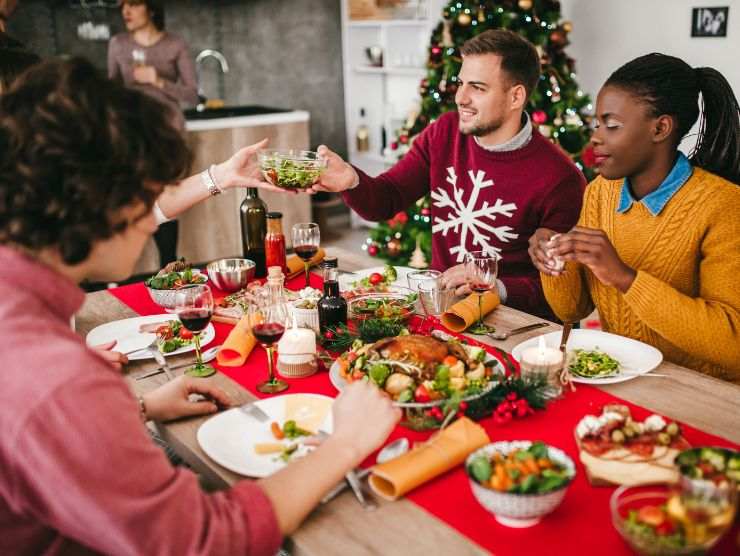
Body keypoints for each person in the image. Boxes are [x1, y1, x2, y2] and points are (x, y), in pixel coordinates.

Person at [0, 57, 401, 554]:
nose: (153, 219)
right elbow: (207, 540)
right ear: (92, 202)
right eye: (144, 195)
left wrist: (137, 406)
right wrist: (346, 443)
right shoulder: (55, 376)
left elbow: (45, 440)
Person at [312, 29, 586, 319]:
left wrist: (496, 287)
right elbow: (386, 199)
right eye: (461, 83)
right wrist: (351, 180)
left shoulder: (561, 180)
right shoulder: (444, 132)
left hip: (514, 323)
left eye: (478, 88)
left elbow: (567, 295)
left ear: (516, 96)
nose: (461, 97)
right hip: (444, 309)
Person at [529, 53, 740, 383]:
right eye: (596, 123)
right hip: (621, 381)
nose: (595, 137)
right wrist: (557, 263)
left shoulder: (724, 205)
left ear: (660, 128)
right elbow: (571, 310)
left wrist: (625, 278)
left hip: (699, 395)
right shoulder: (600, 192)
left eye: (611, 125)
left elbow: (733, 343)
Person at [108, 0, 199, 267]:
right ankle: (117, 270)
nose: (125, 11)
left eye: (133, 3)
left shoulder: (175, 45)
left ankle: (167, 266)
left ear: (151, 8)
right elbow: (110, 90)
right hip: (133, 132)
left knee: (163, 198)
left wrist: (157, 81)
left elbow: (193, 95)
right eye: (122, 5)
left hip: (168, 134)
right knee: (134, 199)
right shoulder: (118, 44)